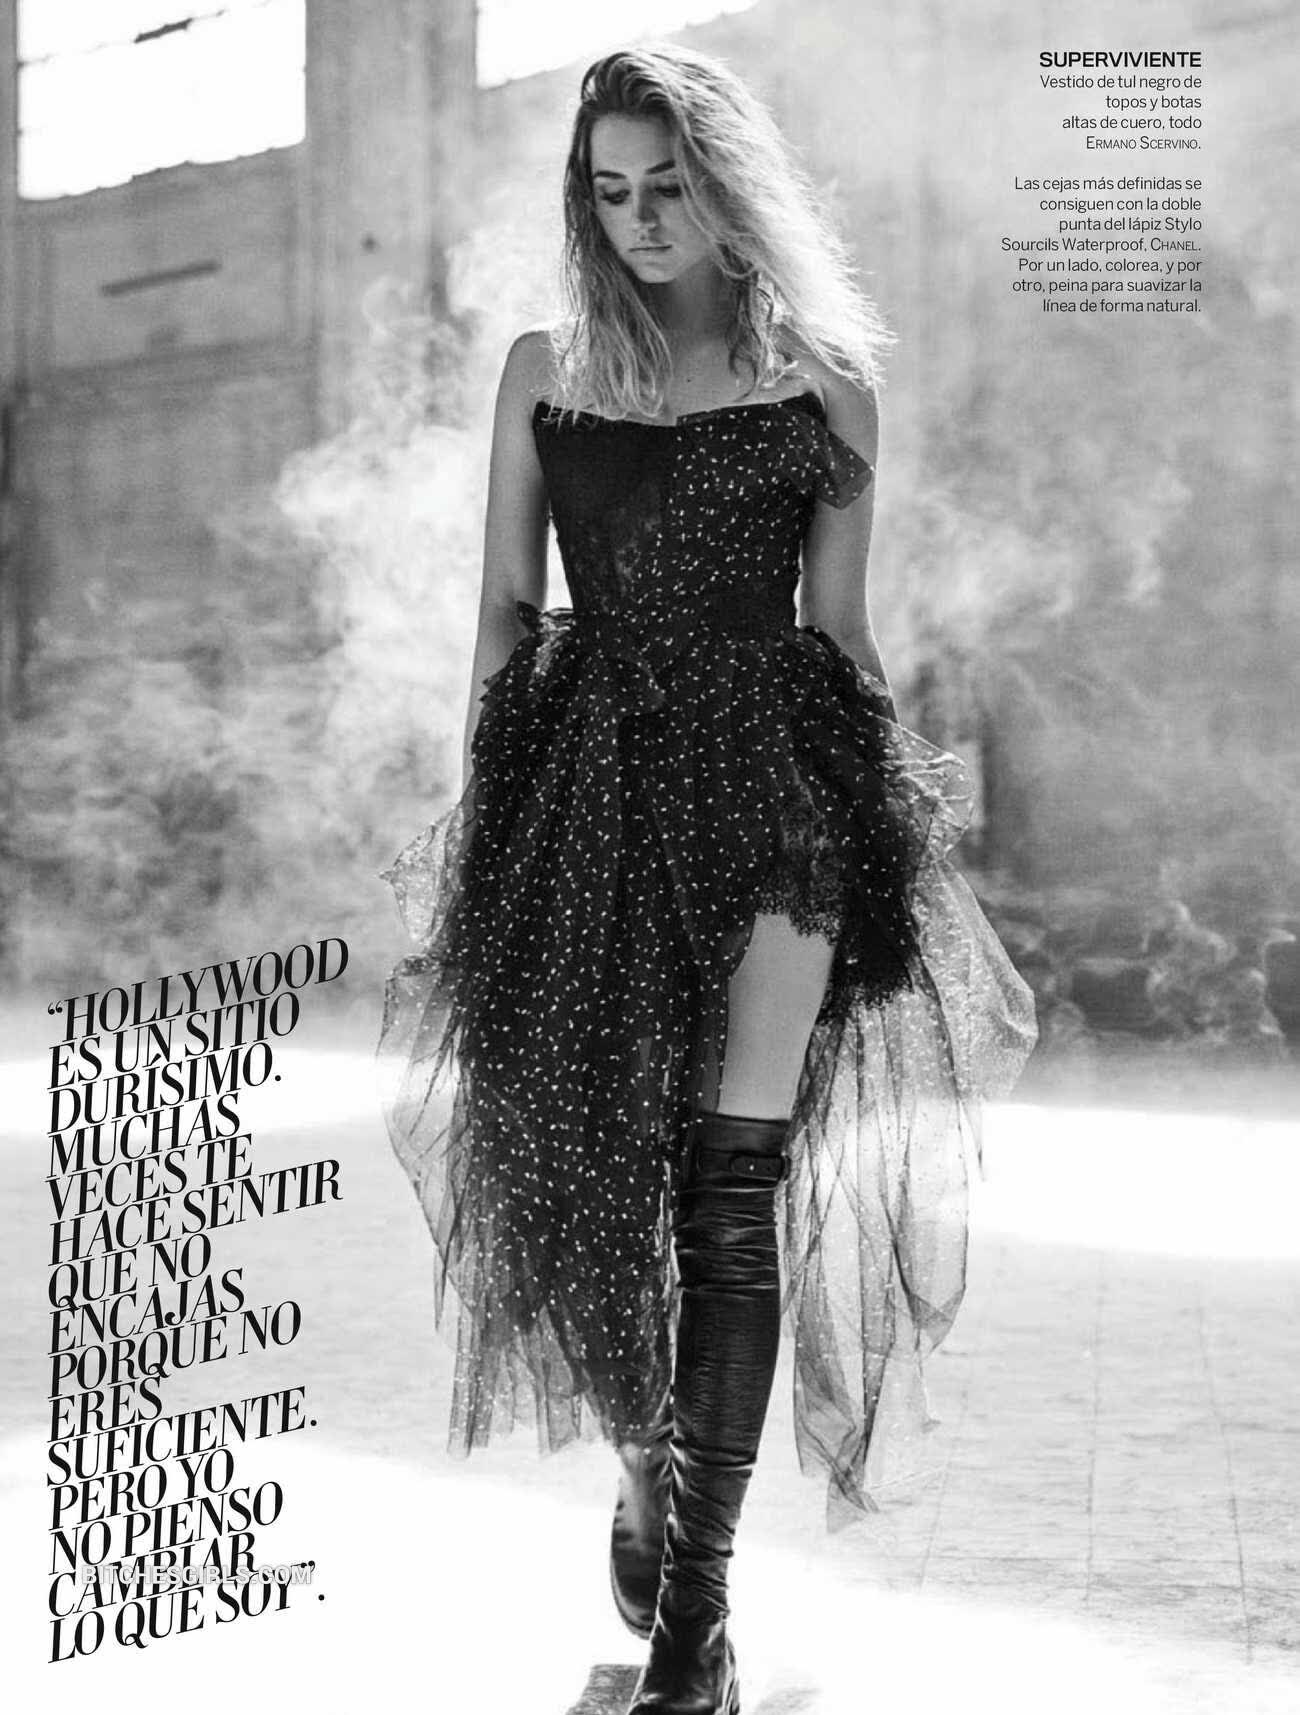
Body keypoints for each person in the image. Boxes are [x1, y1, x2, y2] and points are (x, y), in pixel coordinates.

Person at [378, 42, 1037, 1715]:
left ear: (732, 186)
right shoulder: (545, 370)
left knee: (728, 1196)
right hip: (583, 789)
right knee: (571, 1165)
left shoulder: (827, 382)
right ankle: (646, 1463)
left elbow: (844, 632)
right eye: (611, 191)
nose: (643, 219)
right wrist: (484, 828)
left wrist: (896, 833)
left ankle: (696, 1625)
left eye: (669, 185)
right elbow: (503, 612)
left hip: (775, 793)